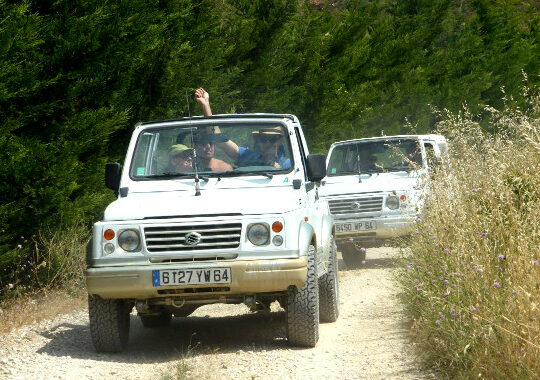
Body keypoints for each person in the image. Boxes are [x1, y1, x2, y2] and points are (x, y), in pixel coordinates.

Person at [194, 87, 291, 169]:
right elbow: (218, 139)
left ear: (280, 141)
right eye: (264, 138)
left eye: (273, 139)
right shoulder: (246, 156)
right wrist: (205, 105)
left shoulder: (289, 165)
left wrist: (277, 169)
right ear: (257, 140)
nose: (268, 143)